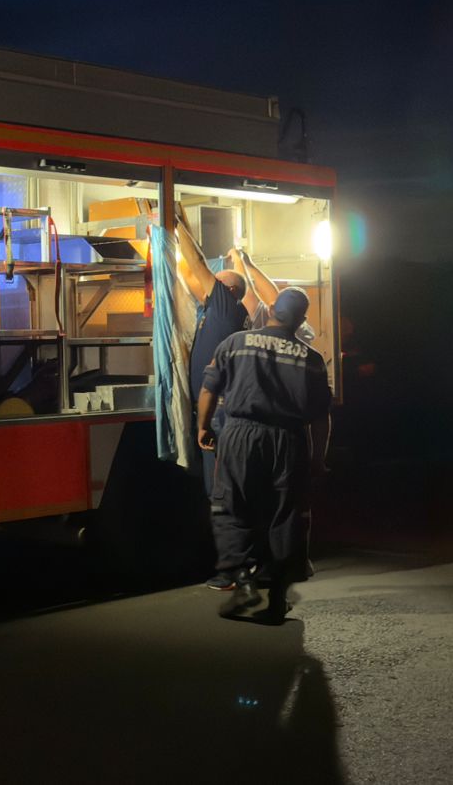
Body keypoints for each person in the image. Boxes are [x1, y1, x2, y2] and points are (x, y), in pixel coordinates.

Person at [198, 287, 332, 624]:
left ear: (271, 308)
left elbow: (209, 389)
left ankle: (243, 581)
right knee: (286, 517)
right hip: (289, 440)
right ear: (302, 319)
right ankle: (277, 598)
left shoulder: (235, 343)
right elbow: (320, 417)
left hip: (241, 435)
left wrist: (204, 427)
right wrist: (317, 459)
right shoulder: (312, 360)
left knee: (232, 507)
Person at [170, 214, 269, 590]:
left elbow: (195, 265)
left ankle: (237, 568)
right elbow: (193, 274)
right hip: (226, 415)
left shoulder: (226, 309)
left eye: (213, 286)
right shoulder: (223, 313)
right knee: (227, 492)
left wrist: (175, 220)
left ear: (228, 292)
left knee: (223, 494)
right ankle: (248, 562)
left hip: (223, 418)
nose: (203, 290)